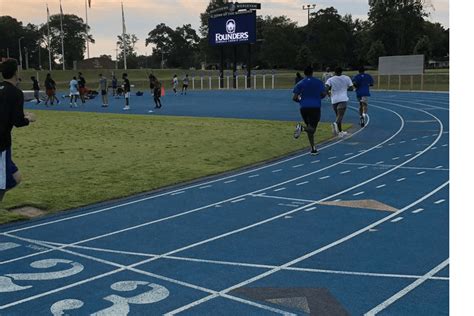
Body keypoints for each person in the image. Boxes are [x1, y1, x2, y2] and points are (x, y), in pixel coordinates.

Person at [0, 59, 36, 201]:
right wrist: (29, 119)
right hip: (1, 144)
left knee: (15, 177)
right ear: (16, 72)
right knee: (3, 183)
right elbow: (18, 122)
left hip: (4, 145)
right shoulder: (15, 93)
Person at [292, 66, 326, 155]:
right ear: (312, 72)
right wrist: (318, 98)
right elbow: (323, 94)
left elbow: (294, 98)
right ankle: (301, 128)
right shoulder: (318, 82)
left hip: (304, 107)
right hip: (315, 106)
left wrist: (301, 101)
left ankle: (313, 148)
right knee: (312, 128)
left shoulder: (300, 83)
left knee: (309, 127)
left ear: (304, 73)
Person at [325, 67, 354, 137]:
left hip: (334, 100)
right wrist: (345, 88)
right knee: (340, 116)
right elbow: (351, 88)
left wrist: (329, 94)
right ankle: (335, 124)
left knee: (338, 116)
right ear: (341, 71)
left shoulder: (330, 79)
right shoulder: (346, 78)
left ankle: (340, 132)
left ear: (334, 72)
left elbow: (326, 88)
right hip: (343, 99)